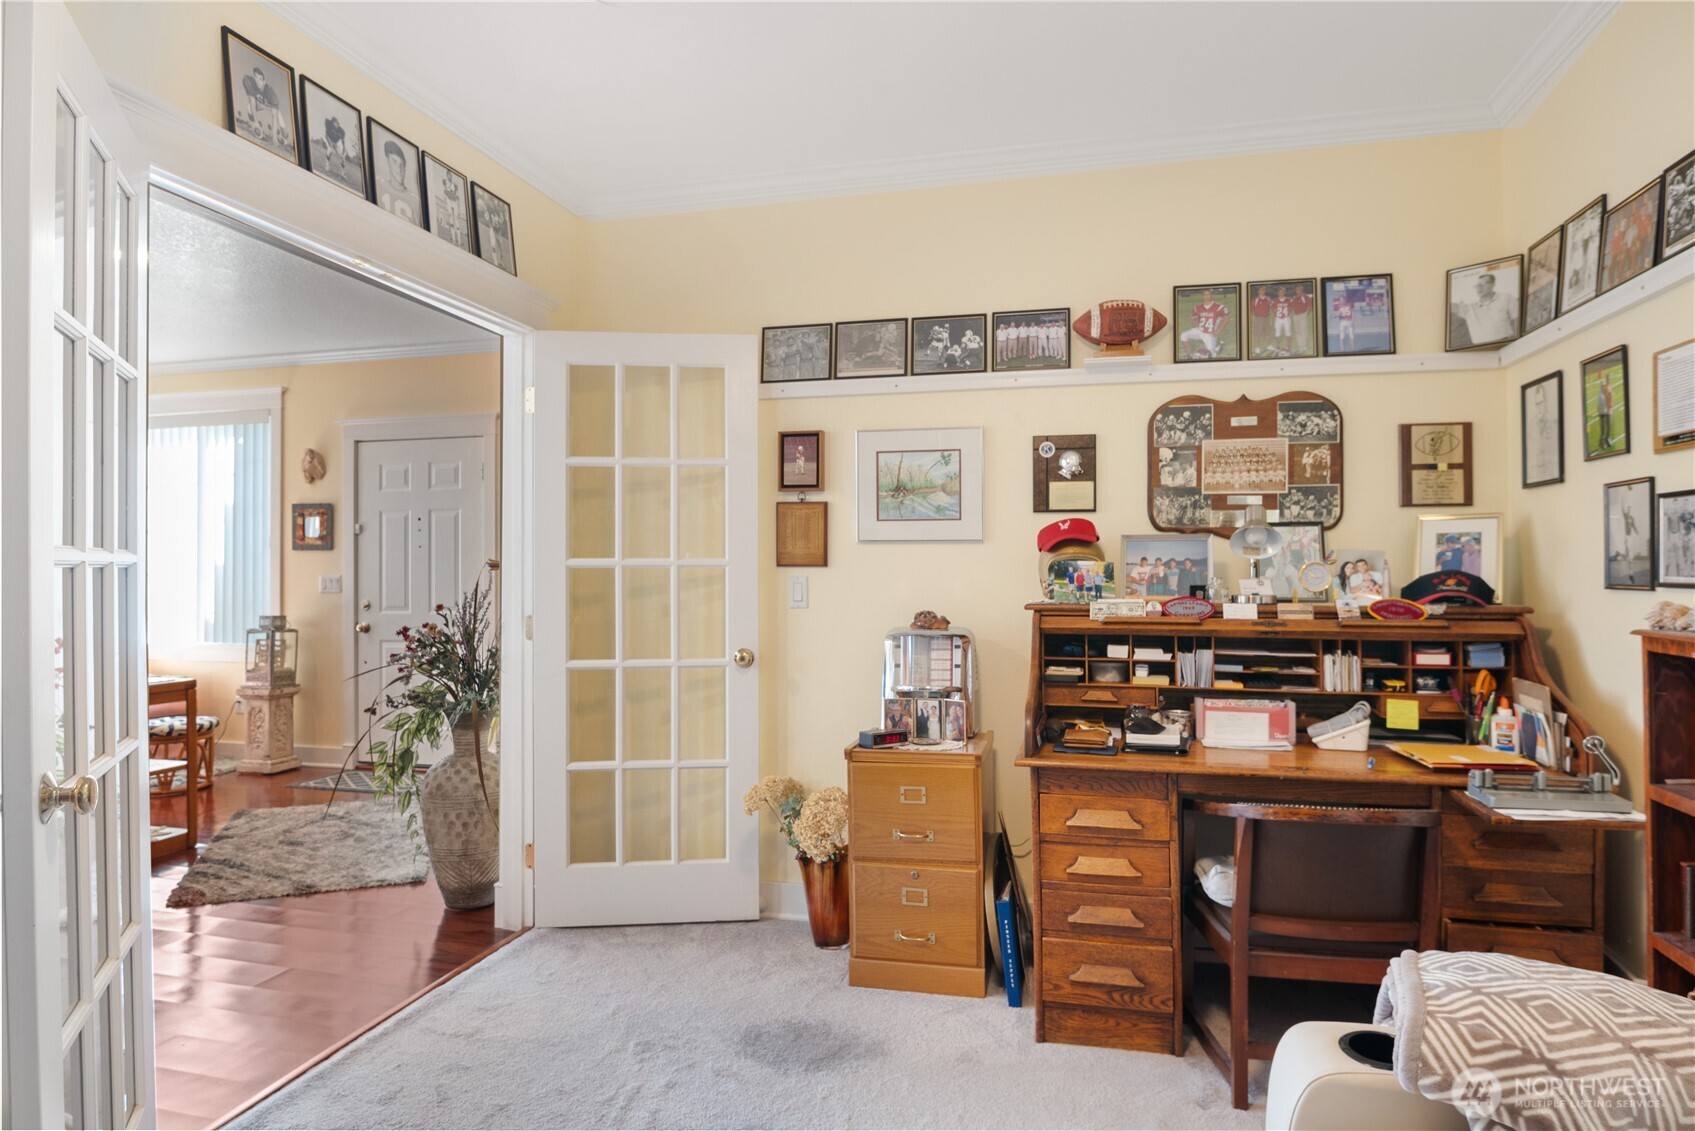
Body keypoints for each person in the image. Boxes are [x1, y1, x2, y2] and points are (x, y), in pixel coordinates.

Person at [1453, 271, 1516, 344]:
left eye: (1483, 284)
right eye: (1477, 285)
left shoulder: (1506, 298)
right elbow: (1449, 306)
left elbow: (1517, 321)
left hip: (1506, 343)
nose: (1479, 288)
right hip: (1482, 350)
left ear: (1493, 284)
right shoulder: (1469, 308)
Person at [1179, 289, 1230, 359]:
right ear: (1202, 296)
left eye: (1208, 294)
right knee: (1183, 335)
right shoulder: (1197, 308)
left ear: (1212, 295)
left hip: (1210, 334)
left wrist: (1217, 331)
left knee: (1210, 356)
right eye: (1205, 295)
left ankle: (1217, 349)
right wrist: (1196, 323)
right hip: (1200, 330)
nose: (1206, 296)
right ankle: (1190, 355)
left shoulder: (1219, 307)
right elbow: (1194, 318)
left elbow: (1226, 319)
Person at [1250, 286, 1272, 357]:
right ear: (1258, 291)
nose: (1262, 291)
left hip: (1267, 317)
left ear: (1265, 291)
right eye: (1261, 290)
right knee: (1258, 333)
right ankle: (1257, 347)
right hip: (1259, 318)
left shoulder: (1268, 298)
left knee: (1267, 332)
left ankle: (1268, 345)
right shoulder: (1256, 299)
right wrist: (1257, 315)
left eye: (1263, 290)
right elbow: (1252, 308)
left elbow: (1270, 307)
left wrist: (1268, 315)